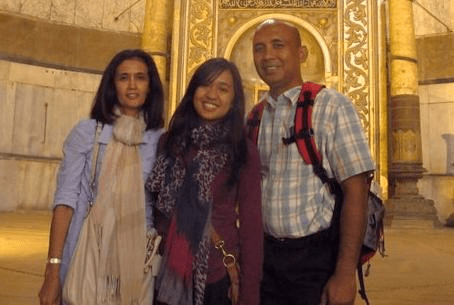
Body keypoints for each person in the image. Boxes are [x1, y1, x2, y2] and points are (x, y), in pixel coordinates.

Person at [251, 19, 375, 305]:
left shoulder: (331, 106)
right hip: (266, 261)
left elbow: (357, 193)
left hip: (315, 261)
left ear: (302, 53)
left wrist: (345, 277)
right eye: (259, 48)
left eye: (278, 45)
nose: (268, 55)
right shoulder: (256, 116)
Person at [38, 49, 165, 305]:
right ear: (112, 85)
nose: (132, 85)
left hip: (137, 261)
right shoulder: (87, 133)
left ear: (150, 86)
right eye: (123, 78)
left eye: (140, 78)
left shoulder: (161, 140)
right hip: (86, 254)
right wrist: (52, 269)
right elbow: (65, 201)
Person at [146, 58, 263, 305]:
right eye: (205, 85)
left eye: (223, 88)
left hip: (216, 276)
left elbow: (252, 227)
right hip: (167, 273)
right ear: (193, 91)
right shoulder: (169, 142)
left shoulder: (242, 150)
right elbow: (157, 212)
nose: (212, 95)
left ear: (234, 99)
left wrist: (249, 294)